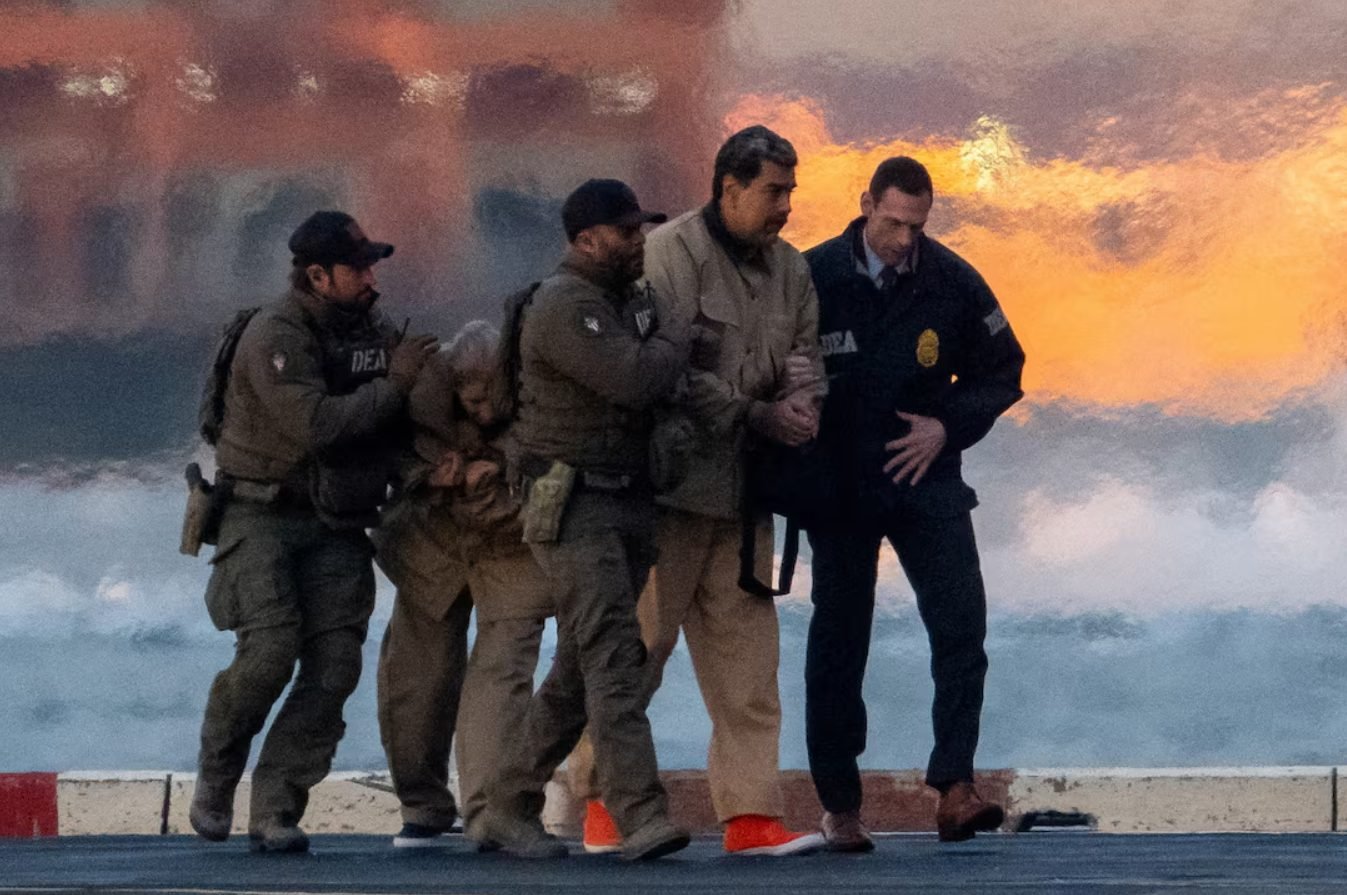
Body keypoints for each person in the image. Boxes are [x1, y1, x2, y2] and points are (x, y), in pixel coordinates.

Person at [570, 124, 825, 857]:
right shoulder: (668, 256)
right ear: (729, 188)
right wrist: (759, 413)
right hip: (669, 496)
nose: (785, 207)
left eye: (790, 192)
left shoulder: (791, 270)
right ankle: (604, 804)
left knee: (749, 670)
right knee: (636, 652)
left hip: (746, 498)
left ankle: (750, 817)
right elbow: (670, 373)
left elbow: (807, 355)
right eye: (773, 192)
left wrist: (805, 400)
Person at [188, 211, 438, 853]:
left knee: (334, 666)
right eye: (358, 267)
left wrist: (427, 461)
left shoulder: (373, 331)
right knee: (269, 652)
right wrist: (397, 383)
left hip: (336, 519)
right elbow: (318, 425)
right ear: (318, 276)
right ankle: (218, 769)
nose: (371, 277)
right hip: (261, 513)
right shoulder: (276, 334)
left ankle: (276, 806)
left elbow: (393, 423)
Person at [801, 157, 1025, 849]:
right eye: (894, 223)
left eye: (917, 227)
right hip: (842, 482)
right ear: (866, 203)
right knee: (839, 640)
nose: (904, 240)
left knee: (961, 628)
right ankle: (840, 805)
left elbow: (1004, 368)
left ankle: (955, 786)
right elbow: (766, 366)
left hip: (926, 475)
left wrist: (946, 426)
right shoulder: (812, 276)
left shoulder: (951, 279)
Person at [471, 178, 690, 861]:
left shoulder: (625, 300)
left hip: (624, 499)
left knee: (577, 670)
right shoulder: (566, 305)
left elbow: (661, 377)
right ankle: (640, 814)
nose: (639, 240)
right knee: (614, 654)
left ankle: (507, 805)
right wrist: (676, 336)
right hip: (573, 504)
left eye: (640, 228)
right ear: (586, 240)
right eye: (626, 231)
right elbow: (635, 378)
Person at [372, 320, 554, 848]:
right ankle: (422, 802)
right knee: (417, 676)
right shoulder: (414, 398)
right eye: (472, 401)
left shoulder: (539, 394)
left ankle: (490, 810)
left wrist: (497, 468)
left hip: (512, 544)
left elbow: (555, 451)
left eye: (493, 399)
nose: (484, 412)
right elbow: (376, 451)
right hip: (432, 542)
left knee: (504, 673)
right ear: (450, 388)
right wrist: (428, 475)